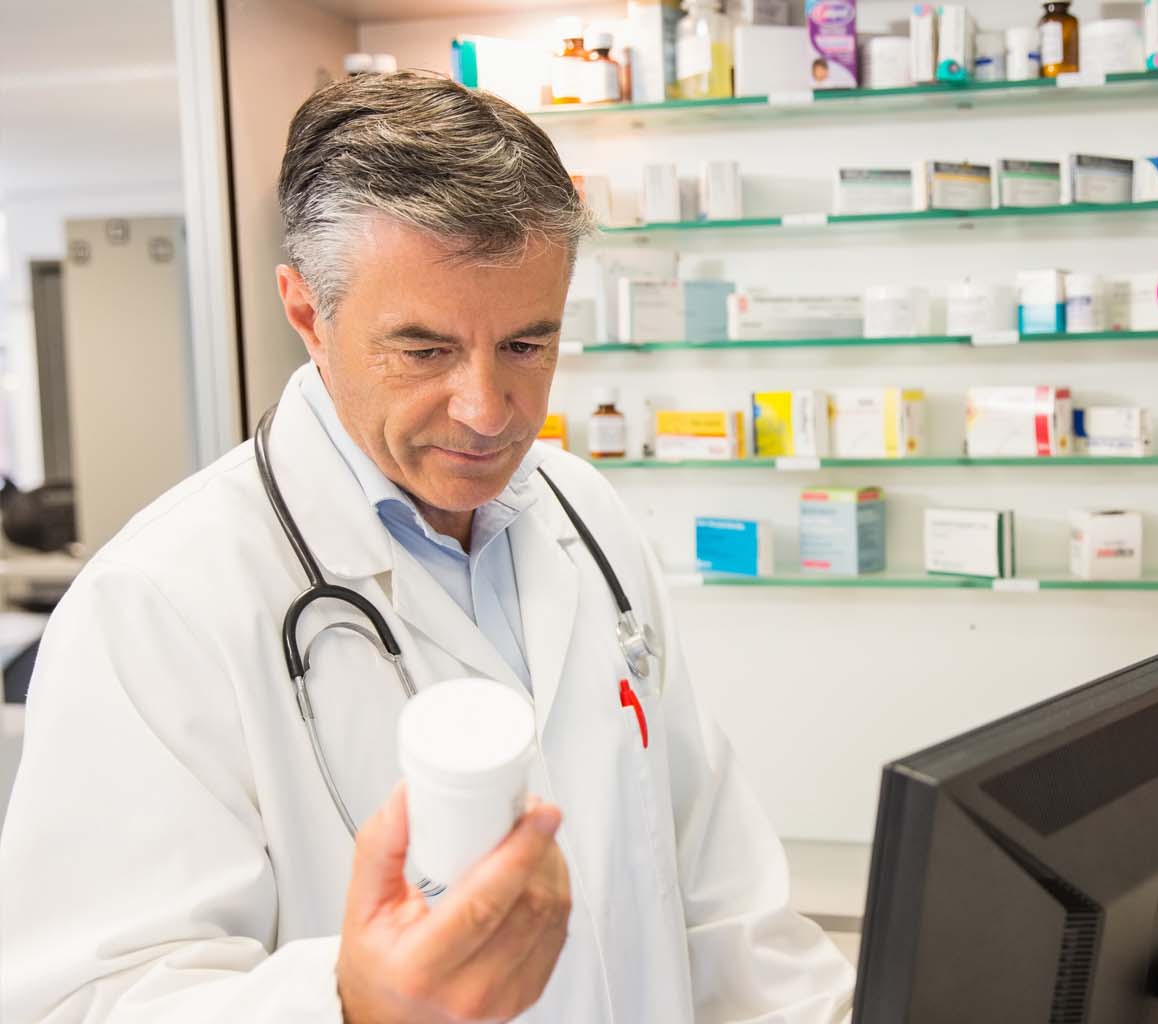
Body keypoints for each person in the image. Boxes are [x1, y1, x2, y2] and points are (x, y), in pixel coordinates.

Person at [0, 72, 854, 1023]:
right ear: (306, 316)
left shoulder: (587, 517)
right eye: (423, 351)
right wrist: (345, 1004)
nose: (488, 412)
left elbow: (719, 900)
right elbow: (83, 1000)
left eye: (528, 346)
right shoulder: (157, 603)